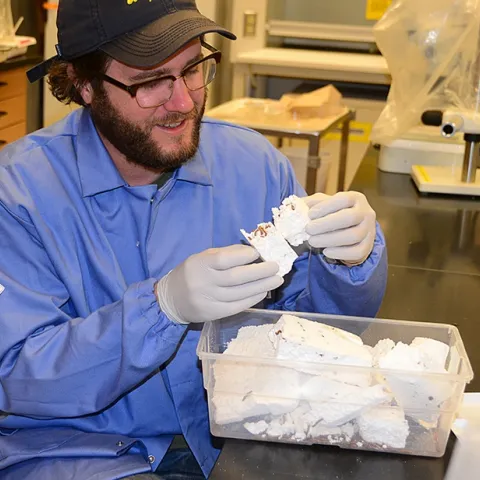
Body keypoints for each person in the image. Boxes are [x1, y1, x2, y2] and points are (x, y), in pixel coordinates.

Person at [0, 1, 387, 479]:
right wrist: (161, 310)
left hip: (240, 435)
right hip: (84, 454)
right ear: (84, 84)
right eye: (149, 82)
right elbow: (20, 377)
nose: (183, 102)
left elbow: (325, 337)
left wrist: (352, 264)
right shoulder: (18, 195)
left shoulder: (252, 165)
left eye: (193, 69)